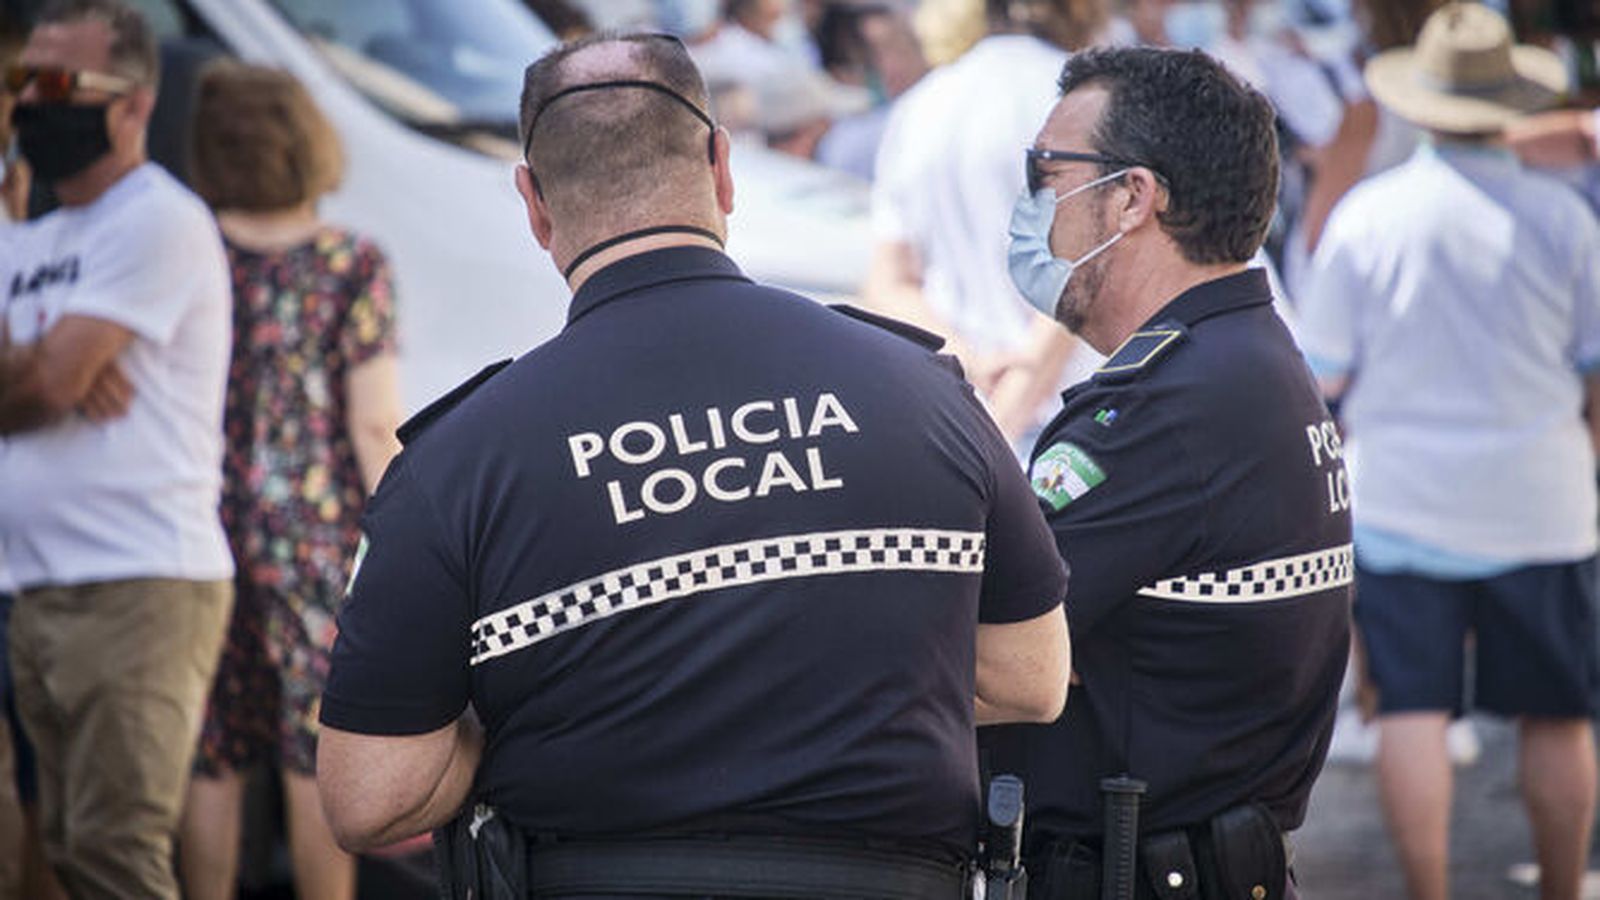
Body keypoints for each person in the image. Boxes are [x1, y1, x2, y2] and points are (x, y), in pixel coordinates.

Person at [315, 31, 1072, 899]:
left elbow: (369, 795)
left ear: (534, 204)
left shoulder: (457, 461)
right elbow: (1033, 676)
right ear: (721, 166)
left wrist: (533, 726)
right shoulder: (922, 391)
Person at [981, 46, 1353, 898]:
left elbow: (988, 653)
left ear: (1132, 198)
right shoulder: (1241, 358)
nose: (1031, 200)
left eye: (1046, 169)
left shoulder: (1162, 410)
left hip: (1133, 872)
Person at [1298, 6, 1599, 900]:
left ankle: (1428, 893)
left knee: (1412, 711)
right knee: (1558, 714)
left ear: (1423, 103)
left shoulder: (1369, 217)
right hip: (1543, 501)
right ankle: (1557, 888)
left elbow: (1327, 376)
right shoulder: (1567, 219)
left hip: (1401, 504)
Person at [0, 0, 235, 897]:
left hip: (137, 582)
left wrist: (42, 366)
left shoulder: (157, 221)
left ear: (133, 103)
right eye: (25, 81)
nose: (32, 102)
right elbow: (36, 385)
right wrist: (44, 363)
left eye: (59, 84)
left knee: (113, 856)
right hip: (35, 584)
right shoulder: (34, 235)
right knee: (60, 848)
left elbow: (41, 389)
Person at [174, 62, 403, 900]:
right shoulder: (350, 262)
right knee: (318, 751)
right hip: (316, 539)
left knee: (212, 748)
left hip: (200, 525)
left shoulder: (188, 248)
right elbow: (373, 423)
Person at [866, 0, 1110, 448]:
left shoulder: (920, 107)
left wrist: (971, 364)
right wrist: (1015, 391)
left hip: (971, 420)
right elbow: (1090, 263)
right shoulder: (1084, 99)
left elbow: (889, 283)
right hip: (1080, 426)